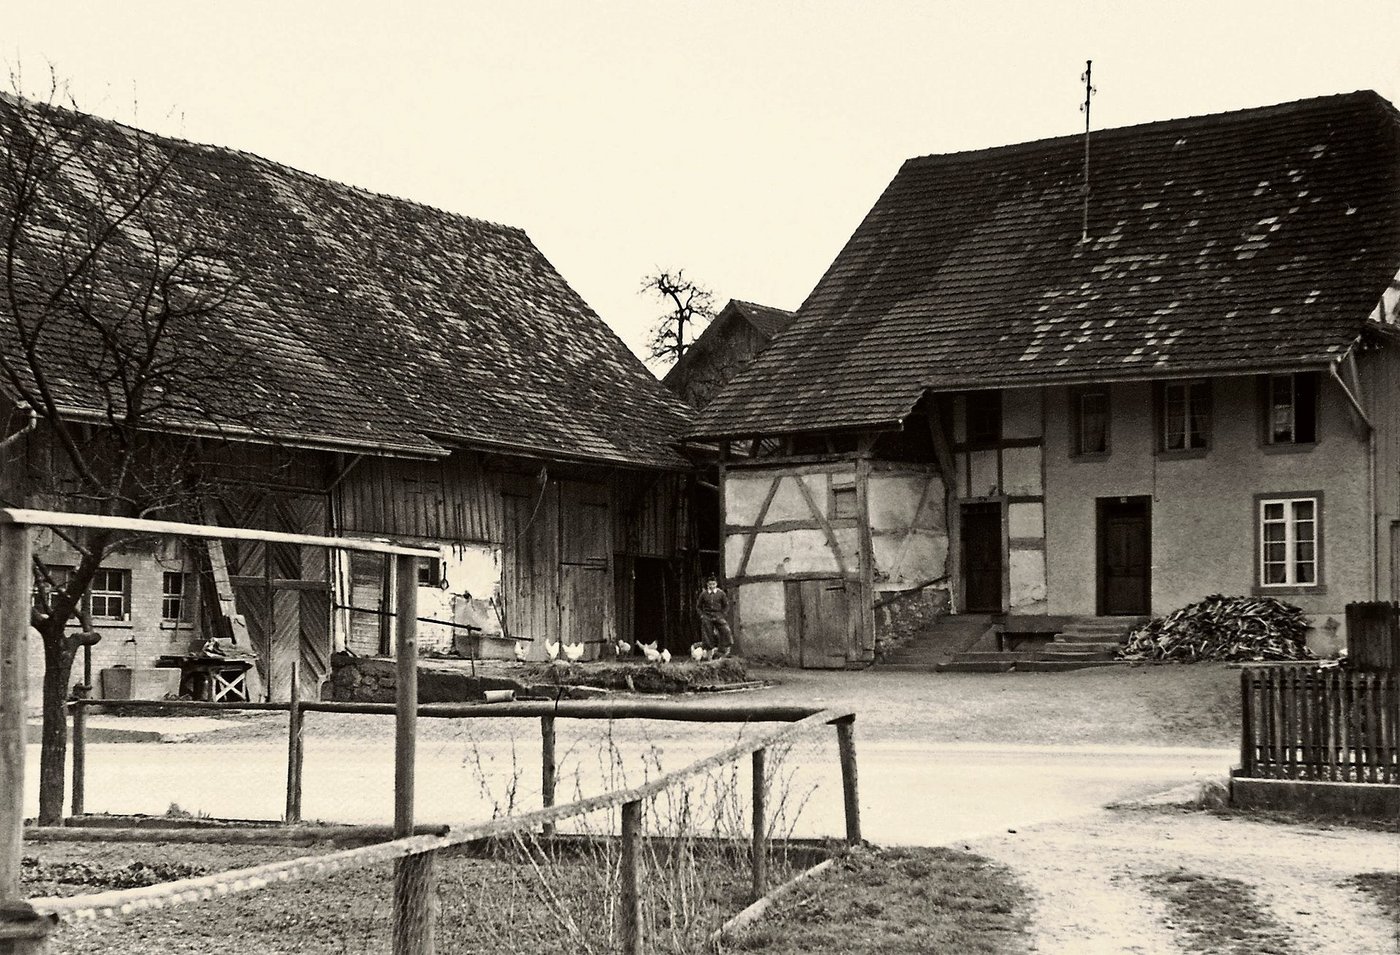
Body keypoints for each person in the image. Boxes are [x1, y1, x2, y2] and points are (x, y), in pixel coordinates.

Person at [695, 575, 734, 657]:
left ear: (716, 584)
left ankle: (723, 652)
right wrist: (702, 615)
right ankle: (709, 657)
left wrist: (723, 614)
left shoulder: (721, 593)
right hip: (707, 616)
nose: (712, 586)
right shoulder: (704, 594)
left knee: (726, 630)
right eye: (710, 584)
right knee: (707, 635)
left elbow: (726, 605)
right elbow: (698, 606)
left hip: (718, 615)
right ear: (707, 584)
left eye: (713, 584)